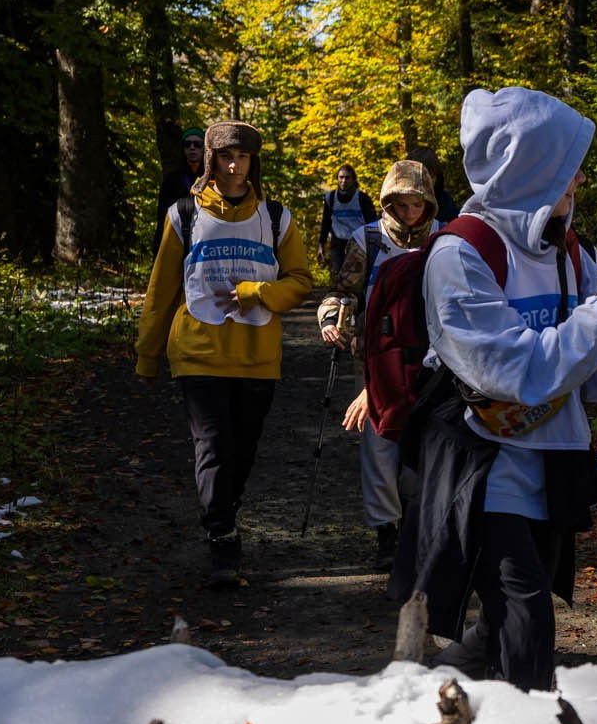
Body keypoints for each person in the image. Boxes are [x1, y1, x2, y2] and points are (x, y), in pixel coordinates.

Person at [392, 87, 597, 691]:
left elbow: (593, 379)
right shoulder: (460, 254)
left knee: (506, 624)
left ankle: (426, 700)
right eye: (566, 165)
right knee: (527, 617)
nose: (577, 180)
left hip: (551, 461)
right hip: (481, 464)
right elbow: (520, 373)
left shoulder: (567, 248)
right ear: (531, 168)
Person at [134, 121, 314, 588]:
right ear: (210, 161)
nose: (235, 167)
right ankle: (222, 539)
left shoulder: (277, 219)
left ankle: (224, 514)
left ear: (255, 163)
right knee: (211, 445)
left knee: (243, 448)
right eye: (226, 157)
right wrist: (147, 354)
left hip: (257, 355)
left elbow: (300, 282)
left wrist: (259, 292)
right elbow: (161, 290)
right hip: (197, 351)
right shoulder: (183, 214)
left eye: (244, 158)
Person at [322, 160, 441, 570]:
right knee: (379, 447)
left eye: (416, 205)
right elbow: (342, 292)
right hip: (373, 360)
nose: (409, 214)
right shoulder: (368, 240)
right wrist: (330, 319)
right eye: (400, 205)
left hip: (433, 364)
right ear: (386, 202)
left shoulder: (444, 239)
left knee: (425, 446)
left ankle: (416, 525)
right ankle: (386, 533)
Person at [152, 126, 206, 255]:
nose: (192, 148)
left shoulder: (214, 178)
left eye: (197, 144)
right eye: (187, 144)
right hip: (177, 239)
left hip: (204, 240)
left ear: (205, 149)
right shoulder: (172, 179)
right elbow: (162, 217)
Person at [320, 164, 377, 264]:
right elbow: (326, 223)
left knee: (356, 277)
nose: (344, 181)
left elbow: (372, 223)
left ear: (353, 179)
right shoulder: (331, 198)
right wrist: (321, 245)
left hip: (358, 244)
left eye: (347, 177)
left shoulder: (363, 199)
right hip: (337, 245)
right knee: (338, 276)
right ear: (337, 178)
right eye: (341, 177)